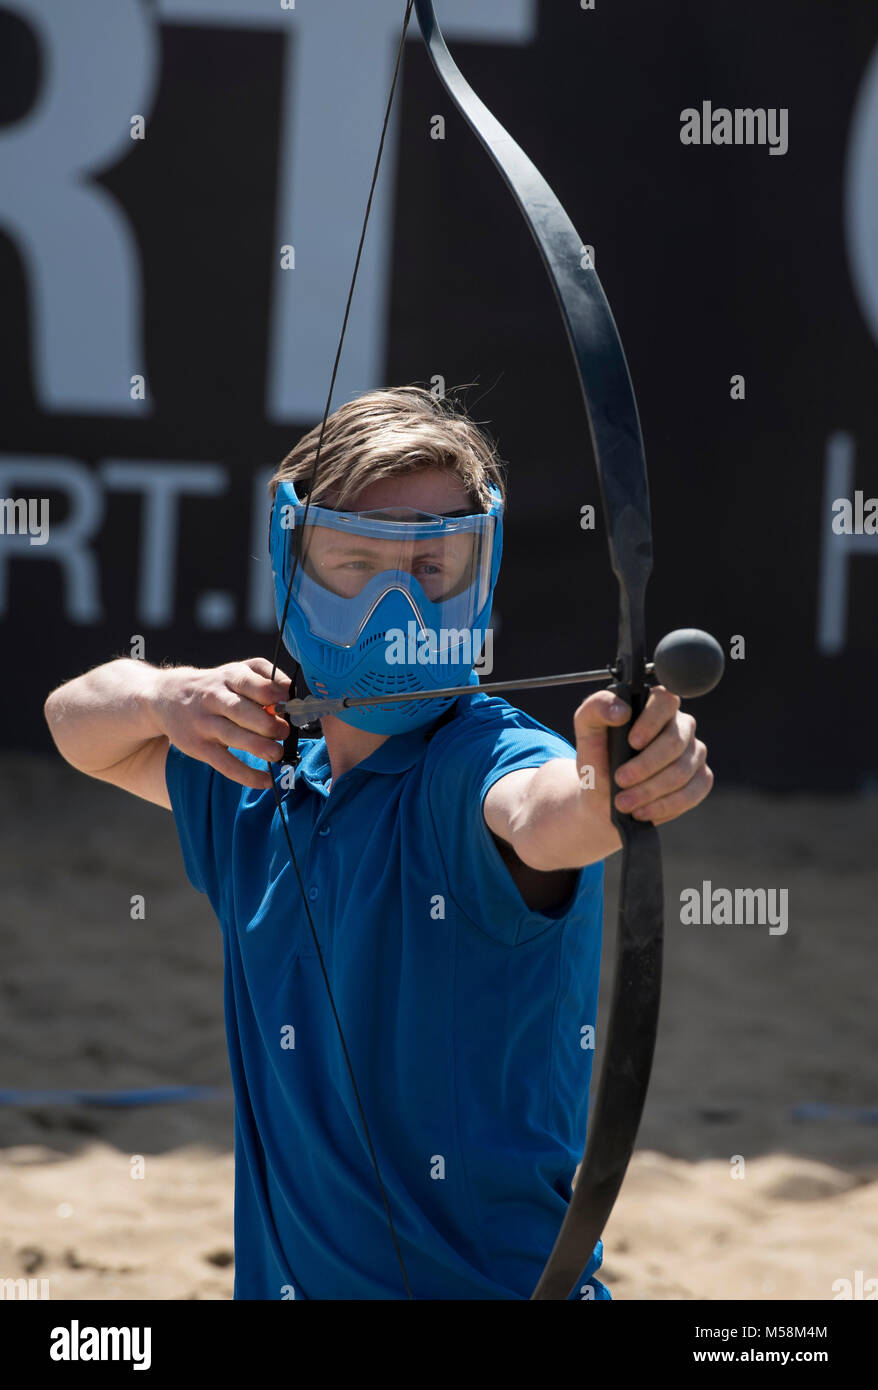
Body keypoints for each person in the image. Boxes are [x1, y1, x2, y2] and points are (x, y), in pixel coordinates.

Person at [44, 386, 713, 1300]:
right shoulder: (253, 774)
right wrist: (165, 695)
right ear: (292, 565)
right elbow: (75, 723)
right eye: (356, 563)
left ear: (483, 572)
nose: (397, 605)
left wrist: (622, 779)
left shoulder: (480, 760)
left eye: (434, 569)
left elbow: (549, 810)